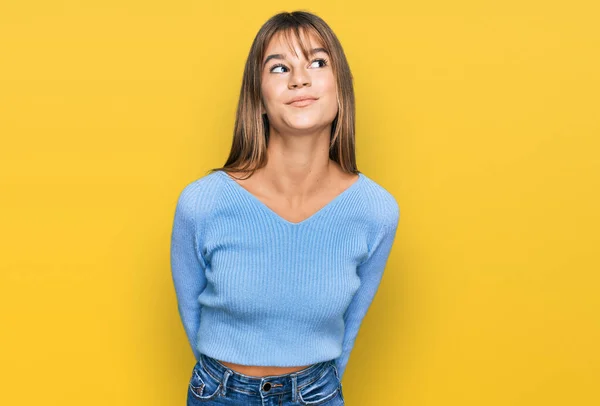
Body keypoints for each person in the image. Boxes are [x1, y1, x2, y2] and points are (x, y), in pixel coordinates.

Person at [170, 10, 400, 405]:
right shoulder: (203, 202)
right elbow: (192, 316)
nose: (300, 79)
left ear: (340, 87)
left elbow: (350, 330)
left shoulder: (375, 211)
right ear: (257, 98)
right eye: (279, 67)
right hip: (218, 394)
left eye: (317, 61)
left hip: (318, 395)